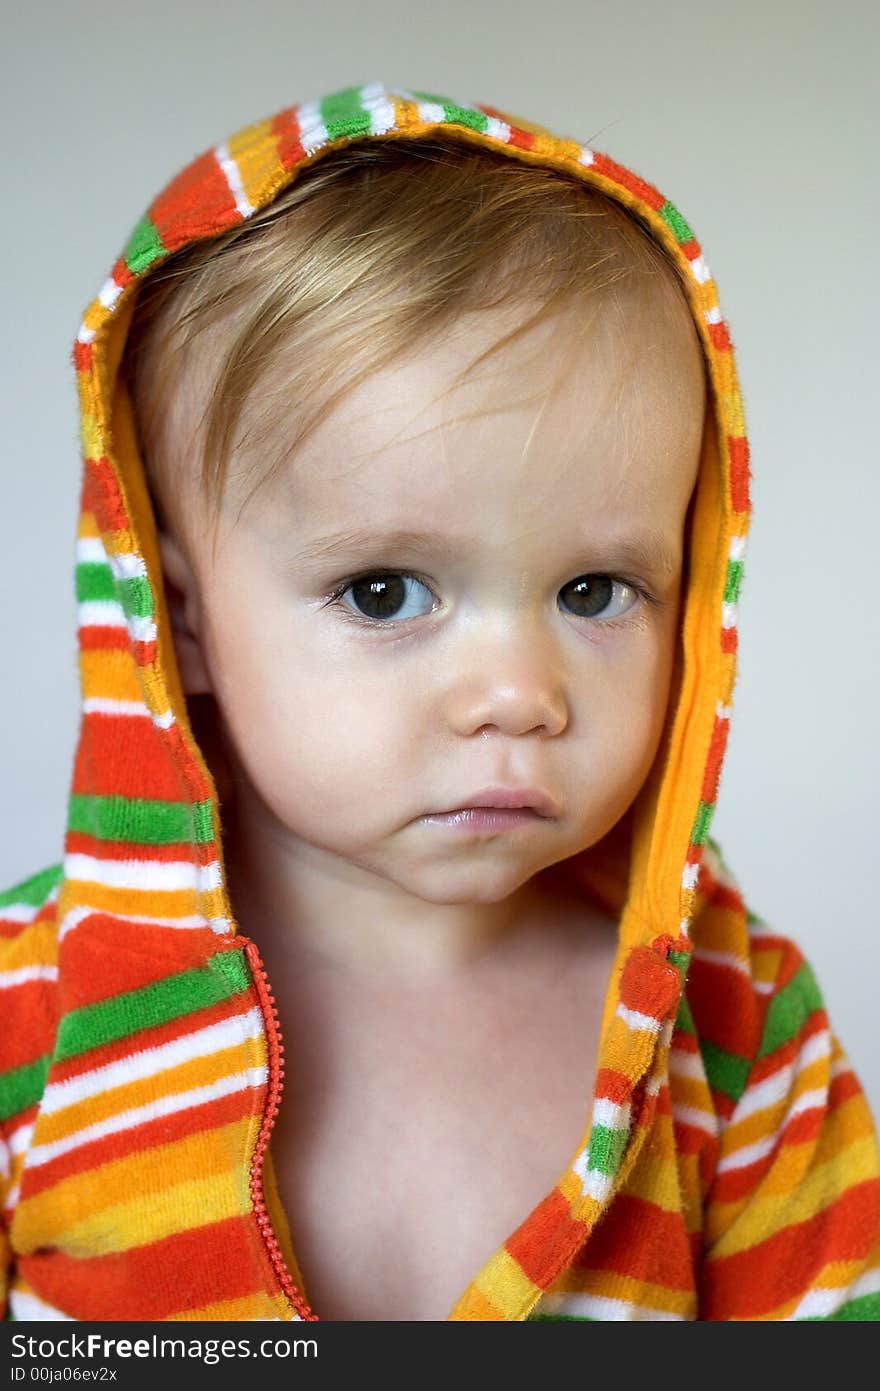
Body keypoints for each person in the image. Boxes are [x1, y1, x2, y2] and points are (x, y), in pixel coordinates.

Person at [1, 79, 878, 1324]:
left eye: (595, 587)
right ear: (177, 618)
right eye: (380, 590)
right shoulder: (40, 1011)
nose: (520, 694)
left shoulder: (732, 1031)